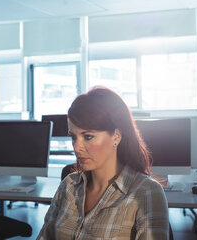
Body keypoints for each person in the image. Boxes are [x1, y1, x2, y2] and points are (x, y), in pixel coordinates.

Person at [37, 86, 169, 240]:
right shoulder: (69, 186)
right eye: (73, 137)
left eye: (88, 137)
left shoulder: (146, 192)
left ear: (116, 136)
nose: (77, 147)